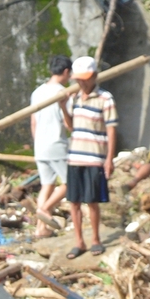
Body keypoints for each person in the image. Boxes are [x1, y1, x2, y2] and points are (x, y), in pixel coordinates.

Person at [63, 55, 118, 257]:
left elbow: (112, 131)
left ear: (94, 76)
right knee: (74, 202)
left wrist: (109, 159)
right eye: (79, 79)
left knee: (91, 201)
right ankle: (79, 241)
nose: (82, 82)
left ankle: (95, 239)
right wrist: (62, 106)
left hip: (95, 157)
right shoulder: (74, 98)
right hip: (75, 156)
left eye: (86, 78)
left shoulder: (105, 99)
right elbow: (71, 127)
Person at [29, 55, 72, 234]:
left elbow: (33, 121)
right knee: (70, 182)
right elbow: (69, 125)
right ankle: (44, 209)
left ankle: (41, 229)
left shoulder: (37, 92)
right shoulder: (64, 93)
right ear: (66, 72)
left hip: (40, 145)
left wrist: (37, 142)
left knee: (47, 185)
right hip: (56, 144)